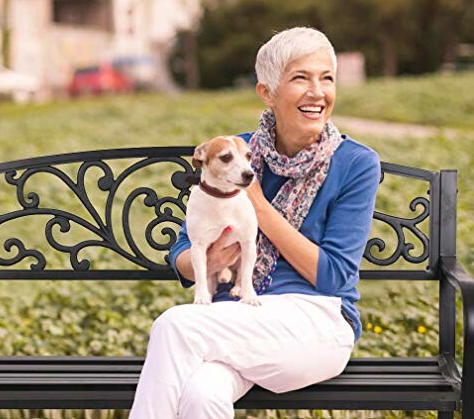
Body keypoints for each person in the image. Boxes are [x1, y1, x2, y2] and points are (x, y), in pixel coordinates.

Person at [129, 27, 381, 418]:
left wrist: (259, 208)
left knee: (176, 326)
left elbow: (333, 276)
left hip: (318, 323)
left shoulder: (355, 163)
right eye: (301, 78)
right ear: (267, 92)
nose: (318, 92)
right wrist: (207, 263)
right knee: (199, 395)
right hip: (241, 318)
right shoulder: (236, 153)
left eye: (326, 78)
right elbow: (183, 248)